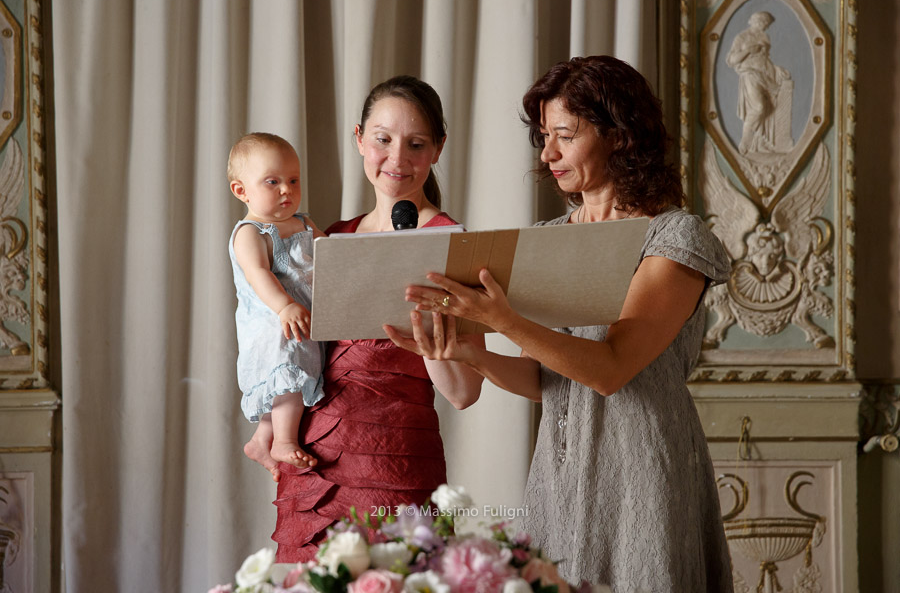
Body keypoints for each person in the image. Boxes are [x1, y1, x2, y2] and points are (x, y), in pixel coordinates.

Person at [385, 56, 735, 592]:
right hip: (557, 477)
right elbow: (545, 380)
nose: (548, 154)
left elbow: (610, 370)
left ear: (619, 134)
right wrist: (469, 352)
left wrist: (498, 318)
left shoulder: (674, 238)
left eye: (565, 135)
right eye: (544, 137)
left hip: (642, 477)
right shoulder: (548, 238)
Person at [272, 76, 485, 562]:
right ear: (359, 139)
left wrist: (424, 326)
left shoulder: (455, 241)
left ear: (437, 150)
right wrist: (272, 426)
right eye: (382, 140)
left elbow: (465, 391)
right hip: (313, 463)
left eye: (416, 144)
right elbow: (298, 347)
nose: (397, 159)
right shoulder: (332, 237)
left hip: (397, 460)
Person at [228, 132, 326, 482]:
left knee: (291, 373)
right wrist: (284, 306)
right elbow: (258, 274)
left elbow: (329, 255)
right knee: (287, 372)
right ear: (242, 191)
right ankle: (284, 441)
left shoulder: (304, 222)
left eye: (293, 180)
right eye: (273, 181)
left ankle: (260, 440)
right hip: (271, 320)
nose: (286, 189)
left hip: (302, 317)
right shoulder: (250, 233)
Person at [726, 11, 793, 154]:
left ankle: (759, 143)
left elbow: (764, 59)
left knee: (769, 109)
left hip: (766, 75)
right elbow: (731, 60)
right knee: (758, 107)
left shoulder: (765, 37)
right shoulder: (742, 37)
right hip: (749, 74)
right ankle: (745, 141)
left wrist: (776, 68)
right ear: (753, 21)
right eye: (762, 22)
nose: (765, 25)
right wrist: (748, 51)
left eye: (766, 23)